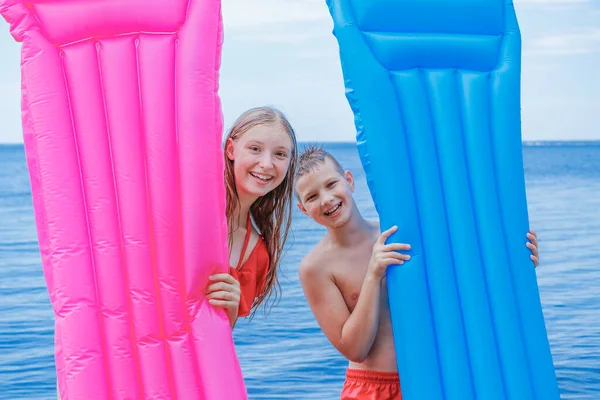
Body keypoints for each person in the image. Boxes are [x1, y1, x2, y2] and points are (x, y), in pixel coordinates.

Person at [295, 145, 540, 399]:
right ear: (303, 209)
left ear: (349, 181)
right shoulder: (315, 267)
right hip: (373, 387)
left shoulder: (400, 235)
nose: (326, 199)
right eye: (311, 197)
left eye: (331, 184)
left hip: (438, 380)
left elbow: (464, 284)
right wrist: (373, 274)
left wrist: (519, 264)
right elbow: (355, 349)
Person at [205, 106, 298, 328]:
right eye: (255, 148)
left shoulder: (257, 255)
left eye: (280, 154)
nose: (267, 164)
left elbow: (222, 334)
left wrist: (232, 309)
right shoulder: (192, 209)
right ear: (230, 150)